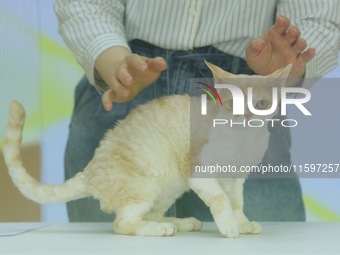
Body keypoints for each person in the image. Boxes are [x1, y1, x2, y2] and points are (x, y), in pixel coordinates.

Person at [54, 0, 339, 222]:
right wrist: (112, 59)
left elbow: (320, 15)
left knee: (259, 241)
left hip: (242, 93)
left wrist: (286, 66)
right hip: (126, 78)